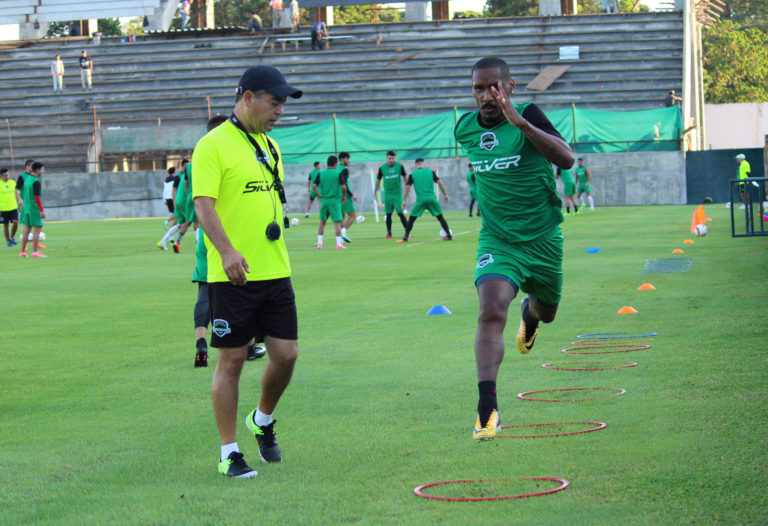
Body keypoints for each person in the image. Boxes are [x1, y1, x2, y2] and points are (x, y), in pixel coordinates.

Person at [454, 56, 574, 441]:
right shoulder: (465, 129)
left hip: (542, 240)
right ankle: (487, 410)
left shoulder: (529, 114)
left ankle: (531, 314)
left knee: (547, 310)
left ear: (510, 86)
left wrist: (520, 124)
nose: (487, 95)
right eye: (478, 88)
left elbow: (567, 160)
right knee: (490, 310)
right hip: (498, 240)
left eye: (494, 87)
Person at [192, 64, 302, 478]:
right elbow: (204, 205)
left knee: (287, 355)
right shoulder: (213, 144)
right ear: (248, 98)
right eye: (275, 103)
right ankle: (228, 452)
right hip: (233, 275)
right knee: (232, 361)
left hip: (275, 271)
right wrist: (226, 252)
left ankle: (262, 419)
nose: (280, 112)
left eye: (283, 105)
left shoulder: (269, 146)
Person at [194, 114, 267, 368]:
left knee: (205, 290)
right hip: (224, 236)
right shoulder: (218, 153)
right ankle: (246, 345)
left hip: (203, 235)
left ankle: (201, 343)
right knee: (241, 288)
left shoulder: (198, 159)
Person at [397, 159, 452, 243]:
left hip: (421, 200)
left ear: (416, 165)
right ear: (424, 164)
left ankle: (405, 237)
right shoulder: (430, 172)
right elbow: (440, 183)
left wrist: (404, 200)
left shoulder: (413, 174)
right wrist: (445, 195)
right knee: (440, 217)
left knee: (412, 218)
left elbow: (408, 187)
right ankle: (449, 235)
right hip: (432, 198)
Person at [157, 159, 195, 252]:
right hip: (184, 201)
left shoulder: (181, 176)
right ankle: (178, 242)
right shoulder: (182, 175)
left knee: (179, 224)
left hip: (180, 201)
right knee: (193, 222)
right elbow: (176, 189)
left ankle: (163, 241)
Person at [313, 155, 347, 249]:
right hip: (334, 201)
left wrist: (319, 196)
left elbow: (314, 186)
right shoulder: (337, 173)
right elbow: (344, 187)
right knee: (337, 223)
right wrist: (344, 196)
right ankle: (339, 244)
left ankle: (320, 243)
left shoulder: (321, 173)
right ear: (335, 164)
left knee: (322, 222)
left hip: (324, 201)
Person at [373, 150, 408, 239]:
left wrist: (408, 186)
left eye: (393, 158)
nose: (391, 160)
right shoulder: (382, 168)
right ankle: (389, 233)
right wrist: (375, 192)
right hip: (388, 194)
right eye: (389, 158)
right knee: (388, 214)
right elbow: (378, 181)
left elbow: (405, 177)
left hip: (397, 194)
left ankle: (407, 232)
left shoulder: (400, 166)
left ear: (395, 158)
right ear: (386, 158)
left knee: (400, 213)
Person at [17, 162, 48, 258]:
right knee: (37, 230)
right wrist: (41, 210)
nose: (43, 171)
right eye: (42, 169)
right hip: (34, 208)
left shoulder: (27, 179)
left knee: (26, 230)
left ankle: (22, 252)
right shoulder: (36, 181)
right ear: (38, 170)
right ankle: (35, 252)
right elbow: (37, 197)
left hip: (26, 208)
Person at [338, 151, 357, 243]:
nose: (348, 161)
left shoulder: (336, 168)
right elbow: (344, 184)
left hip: (336, 195)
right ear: (342, 159)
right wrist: (351, 195)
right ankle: (343, 232)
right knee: (352, 216)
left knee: (342, 215)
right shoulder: (344, 170)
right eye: (347, 159)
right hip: (344, 195)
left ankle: (342, 236)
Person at [1, 168, 22, 247]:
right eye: (5, 175)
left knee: (15, 222)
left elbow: (17, 194)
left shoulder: (13, 183)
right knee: (5, 225)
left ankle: (12, 237)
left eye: (7, 175)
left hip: (13, 207)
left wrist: (19, 204)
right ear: (1, 176)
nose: (7, 176)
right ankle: (8, 241)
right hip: (3, 209)